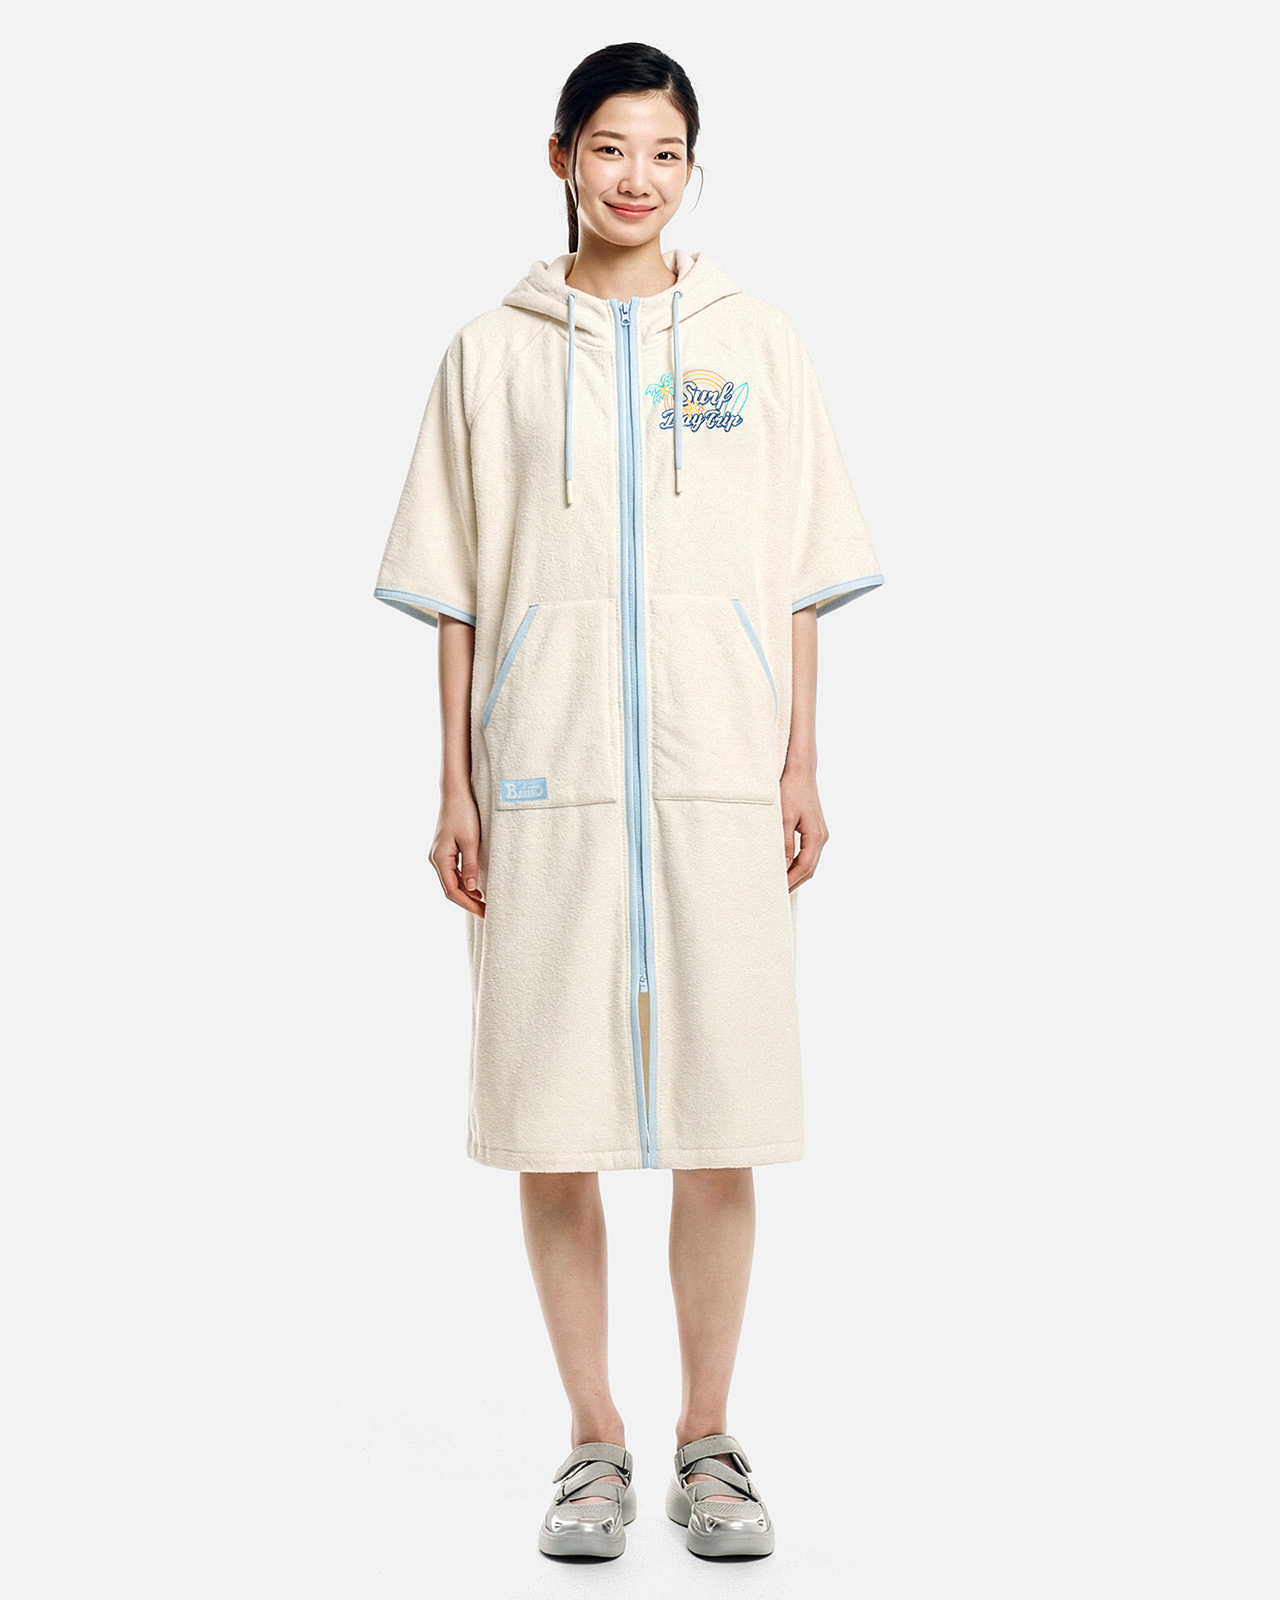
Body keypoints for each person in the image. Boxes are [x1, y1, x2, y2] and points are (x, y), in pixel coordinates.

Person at [371, 42, 884, 1562]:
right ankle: (592, 1442)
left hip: (719, 776)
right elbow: (457, 588)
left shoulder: (758, 345)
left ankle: (707, 1441)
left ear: (692, 169)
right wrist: (456, 779)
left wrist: (800, 761)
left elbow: (800, 573)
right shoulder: (489, 355)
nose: (637, 178)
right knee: (556, 1117)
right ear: (561, 159)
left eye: (665, 153)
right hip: (548, 782)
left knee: (725, 1113)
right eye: (610, 148)